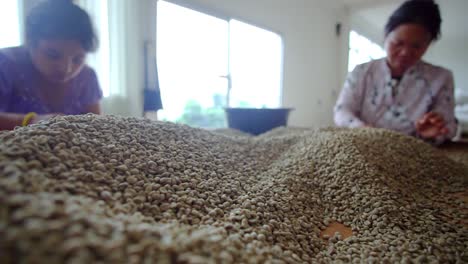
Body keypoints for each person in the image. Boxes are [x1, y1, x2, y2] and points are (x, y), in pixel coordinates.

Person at [334, 0, 456, 145]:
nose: (405, 52)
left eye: (416, 46)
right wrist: (363, 129)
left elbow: (450, 125)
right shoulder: (362, 71)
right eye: (398, 43)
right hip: (364, 143)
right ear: (386, 36)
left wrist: (435, 131)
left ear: (428, 45)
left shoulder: (441, 78)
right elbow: (342, 111)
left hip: (413, 150)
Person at [0, 0, 102, 130]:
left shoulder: (87, 77)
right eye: (53, 55)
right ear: (30, 42)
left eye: (78, 59)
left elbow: (97, 129)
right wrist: (29, 121)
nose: (66, 69)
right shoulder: (6, 65)